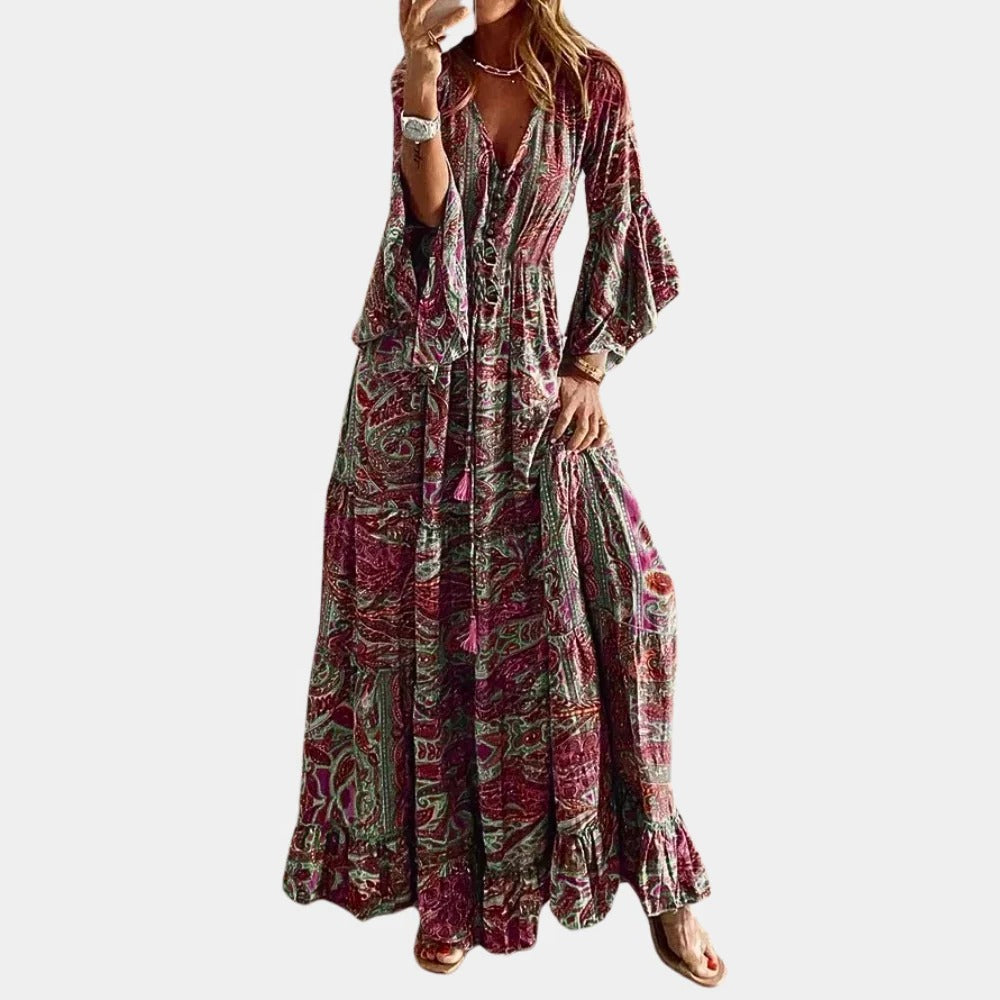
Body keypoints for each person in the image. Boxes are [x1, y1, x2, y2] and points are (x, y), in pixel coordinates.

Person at [282, 0, 725, 985]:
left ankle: (662, 880)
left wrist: (589, 366)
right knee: (431, 627)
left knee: (636, 603)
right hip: (415, 385)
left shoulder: (588, 85)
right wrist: (416, 74)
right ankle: (446, 892)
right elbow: (428, 225)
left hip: (529, 379)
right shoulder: (426, 79)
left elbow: (622, 221)